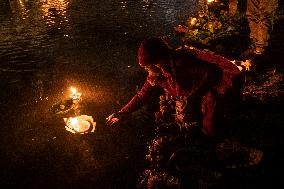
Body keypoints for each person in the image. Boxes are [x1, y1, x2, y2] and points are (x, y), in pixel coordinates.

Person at [106, 37, 244, 137]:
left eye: (149, 65)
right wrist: (123, 112)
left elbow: (215, 72)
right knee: (191, 122)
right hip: (193, 94)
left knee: (212, 127)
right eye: (146, 67)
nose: (148, 70)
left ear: (160, 59)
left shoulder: (182, 62)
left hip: (211, 89)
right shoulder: (157, 74)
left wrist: (194, 97)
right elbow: (142, 95)